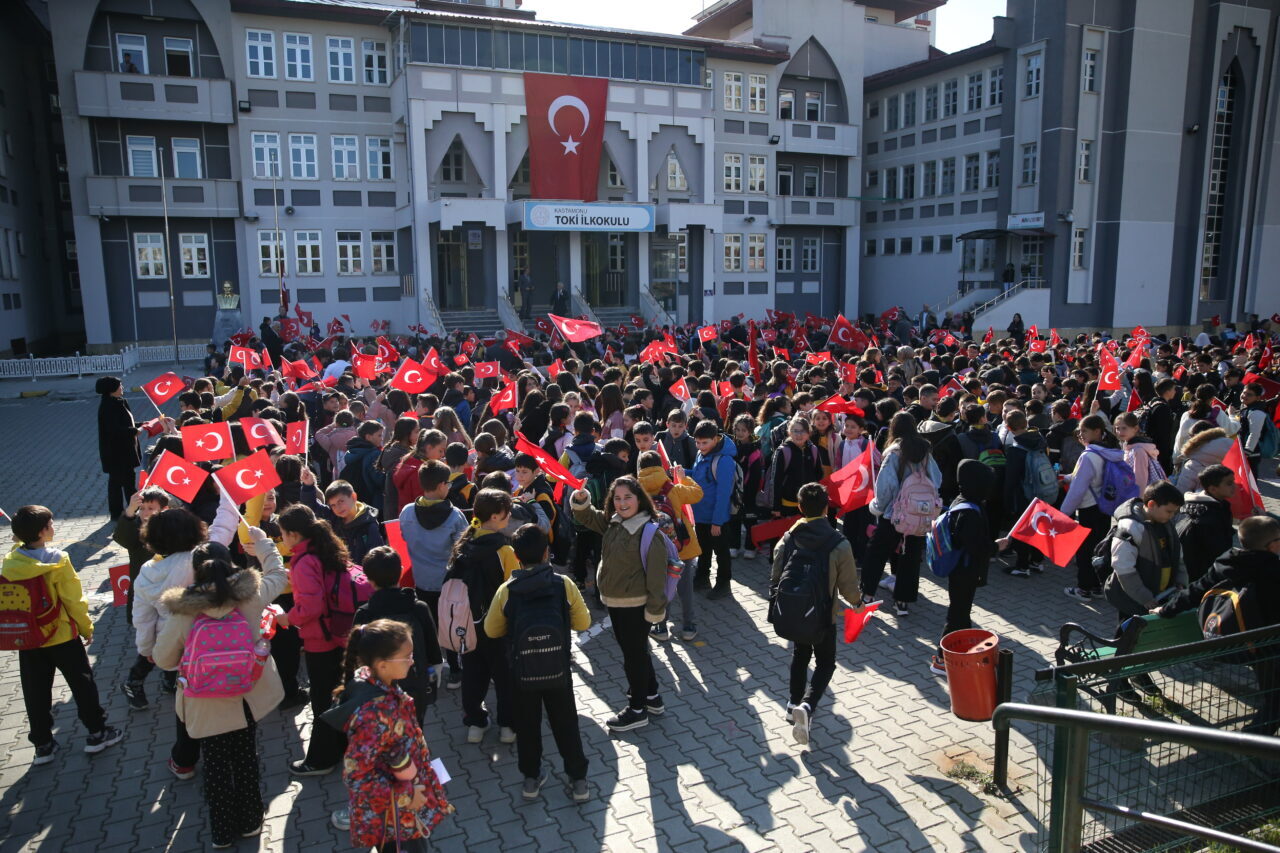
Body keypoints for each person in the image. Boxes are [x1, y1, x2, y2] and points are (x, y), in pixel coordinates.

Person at [152, 532, 287, 848]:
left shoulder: (184, 611)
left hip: (204, 704)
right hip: (245, 696)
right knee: (245, 760)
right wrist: (263, 543)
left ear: (195, 572)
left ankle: (222, 833)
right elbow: (278, 574)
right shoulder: (251, 596)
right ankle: (251, 821)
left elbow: (162, 658)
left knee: (215, 769)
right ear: (230, 565)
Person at [4, 506, 122, 765]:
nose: (54, 527)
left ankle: (42, 744)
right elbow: (74, 600)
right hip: (61, 635)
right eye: (50, 524)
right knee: (82, 684)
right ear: (42, 532)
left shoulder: (11, 562)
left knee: (35, 690)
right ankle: (97, 732)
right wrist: (86, 628)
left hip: (29, 637)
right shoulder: (58, 559)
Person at [483, 524, 592, 801]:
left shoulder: (507, 590)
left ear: (516, 556)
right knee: (566, 723)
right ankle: (578, 779)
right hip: (558, 668)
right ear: (547, 553)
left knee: (528, 725)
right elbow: (583, 623)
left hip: (522, 672)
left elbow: (491, 630)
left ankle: (531, 779)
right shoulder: (563, 584)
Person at [323, 619, 454, 850]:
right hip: (394, 819)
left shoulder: (382, 683)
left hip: (403, 812)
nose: (412, 661)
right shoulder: (372, 713)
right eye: (407, 656)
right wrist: (407, 794)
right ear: (383, 665)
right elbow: (357, 777)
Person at [1158, 515, 1280, 735]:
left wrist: (1166, 609)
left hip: (1247, 644)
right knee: (1275, 701)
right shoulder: (1273, 570)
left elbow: (1196, 590)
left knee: (1274, 697)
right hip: (1270, 645)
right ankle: (1252, 739)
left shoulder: (1227, 562)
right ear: (1272, 545)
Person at [278, 504, 372, 776]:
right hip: (341, 635)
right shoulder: (326, 547)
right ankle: (343, 746)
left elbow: (311, 607)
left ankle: (321, 760)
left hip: (321, 639)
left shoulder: (304, 560)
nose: (282, 538)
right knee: (339, 694)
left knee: (322, 702)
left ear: (293, 535)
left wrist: (287, 618)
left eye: (282, 533)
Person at [570, 476, 669, 732]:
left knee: (633, 657)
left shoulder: (649, 532)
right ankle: (651, 696)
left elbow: (657, 579)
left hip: (635, 605)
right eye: (617, 498)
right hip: (616, 602)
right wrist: (581, 499)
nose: (622, 503)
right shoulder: (614, 522)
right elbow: (588, 517)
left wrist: (655, 612)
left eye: (628, 497)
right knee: (637, 652)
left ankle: (637, 710)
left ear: (640, 499)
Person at [769, 483, 863, 746]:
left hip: (795, 612)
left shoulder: (789, 536)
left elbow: (776, 570)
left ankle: (792, 703)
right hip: (823, 615)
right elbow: (848, 585)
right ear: (826, 509)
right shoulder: (838, 543)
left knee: (800, 655)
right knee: (825, 663)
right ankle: (807, 706)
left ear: (800, 507)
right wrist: (858, 604)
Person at [444, 489, 520, 743]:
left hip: (467, 623)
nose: (509, 516)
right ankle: (508, 726)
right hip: (497, 626)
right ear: (496, 516)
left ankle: (475, 724)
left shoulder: (465, 543)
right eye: (507, 513)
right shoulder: (504, 550)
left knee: (473, 675)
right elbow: (513, 588)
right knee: (505, 678)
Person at [860, 412, 942, 617]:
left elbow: (885, 487)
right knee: (911, 557)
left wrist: (877, 506)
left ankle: (867, 595)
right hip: (919, 515)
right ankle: (902, 602)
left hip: (893, 514)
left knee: (876, 553)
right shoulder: (925, 452)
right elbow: (937, 479)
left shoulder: (894, 453)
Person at [398, 460, 469, 688]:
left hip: (420, 580)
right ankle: (456, 671)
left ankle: (430, 672)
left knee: (428, 629)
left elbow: (404, 537)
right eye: (448, 483)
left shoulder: (407, 512)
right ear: (440, 486)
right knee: (450, 627)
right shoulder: (455, 516)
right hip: (447, 583)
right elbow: (463, 548)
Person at [1059, 415, 1129, 601]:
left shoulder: (1088, 455)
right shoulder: (1110, 451)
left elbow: (1078, 489)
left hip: (1089, 507)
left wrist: (1063, 513)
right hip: (1105, 505)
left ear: (1097, 432)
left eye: (1085, 431)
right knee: (1100, 548)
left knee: (1085, 550)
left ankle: (1084, 589)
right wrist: (1068, 478)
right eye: (1079, 431)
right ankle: (1098, 586)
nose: (1081, 434)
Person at [637, 453, 704, 642]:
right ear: (661, 467)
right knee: (685, 588)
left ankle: (661, 627)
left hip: (654, 549)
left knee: (661, 588)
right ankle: (688, 627)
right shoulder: (673, 488)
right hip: (681, 546)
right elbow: (698, 493)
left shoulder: (637, 492)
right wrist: (683, 478)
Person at [688, 420, 738, 599]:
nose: (700, 447)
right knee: (703, 548)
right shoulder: (701, 454)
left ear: (716, 439)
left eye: (705, 443)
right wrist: (683, 472)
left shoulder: (724, 461)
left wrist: (717, 522)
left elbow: (723, 494)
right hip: (701, 514)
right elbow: (698, 476)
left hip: (717, 517)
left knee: (721, 551)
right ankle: (703, 577)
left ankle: (723, 583)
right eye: (697, 442)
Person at [111, 486, 169, 627]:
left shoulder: (172, 527)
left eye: (151, 508)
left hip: (167, 588)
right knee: (145, 627)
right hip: (142, 590)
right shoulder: (136, 527)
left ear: (164, 509)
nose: (145, 513)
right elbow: (121, 538)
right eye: (141, 508)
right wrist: (130, 511)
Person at [1174, 464, 1237, 582]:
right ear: (1213, 489)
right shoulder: (1208, 517)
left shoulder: (1219, 506)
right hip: (1202, 574)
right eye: (1229, 483)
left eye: (1233, 481)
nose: (1235, 486)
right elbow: (1216, 550)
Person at [96, 376, 144, 518]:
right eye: (119, 386)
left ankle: (129, 510)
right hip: (116, 453)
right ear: (111, 389)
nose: (122, 388)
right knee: (120, 483)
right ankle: (121, 512)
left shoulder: (119, 401)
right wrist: (134, 431)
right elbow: (114, 430)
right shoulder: (108, 406)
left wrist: (142, 424)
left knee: (124, 481)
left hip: (124, 451)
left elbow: (126, 423)